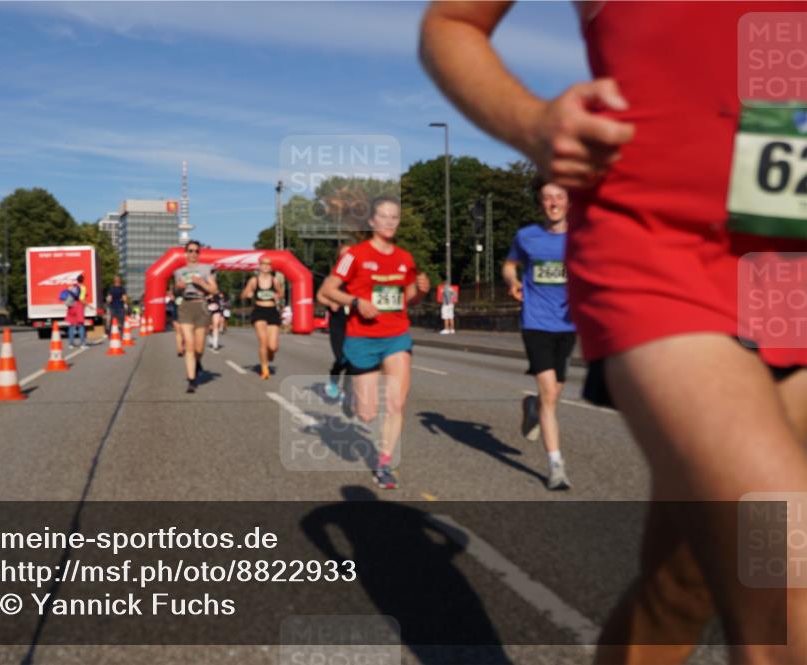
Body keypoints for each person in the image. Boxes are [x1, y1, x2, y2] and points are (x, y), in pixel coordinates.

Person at [421, 2, 807, 662]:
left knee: (681, 585)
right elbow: (452, 21)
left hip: (787, 261)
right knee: (781, 571)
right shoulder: (530, 235)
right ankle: (551, 449)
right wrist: (532, 123)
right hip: (661, 249)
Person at [319, 196, 431, 489]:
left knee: (396, 403)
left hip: (396, 335)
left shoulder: (405, 258)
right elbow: (328, 289)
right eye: (384, 216)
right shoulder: (354, 255)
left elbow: (408, 298)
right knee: (367, 413)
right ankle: (352, 397)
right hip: (362, 338)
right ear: (371, 221)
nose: (390, 222)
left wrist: (421, 291)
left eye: (395, 217)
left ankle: (384, 463)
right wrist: (356, 302)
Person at [503, 180, 576, 491]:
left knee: (553, 394)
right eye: (547, 198)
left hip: (568, 325)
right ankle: (556, 466)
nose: (554, 203)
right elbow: (509, 265)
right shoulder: (527, 236)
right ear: (540, 203)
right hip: (535, 322)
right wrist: (512, 281)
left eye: (559, 197)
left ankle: (532, 407)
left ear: (569, 202)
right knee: (549, 391)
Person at [173, 240, 218, 393]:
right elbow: (176, 292)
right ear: (186, 253)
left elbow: (214, 290)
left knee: (199, 347)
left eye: (196, 251)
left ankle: (197, 362)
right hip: (186, 306)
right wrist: (178, 288)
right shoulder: (179, 272)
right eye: (190, 251)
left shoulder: (206, 269)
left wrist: (202, 284)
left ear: (199, 253)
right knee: (189, 345)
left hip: (201, 306)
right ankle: (191, 380)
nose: (193, 254)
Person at [317, 245, 352, 402]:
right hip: (338, 322)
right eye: (344, 256)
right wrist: (330, 303)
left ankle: (348, 391)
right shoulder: (332, 278)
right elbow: (320, 296)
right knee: (341, 357)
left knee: (355, 359)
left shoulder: (361, 276)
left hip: (356, 322)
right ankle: (333, 380)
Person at [241, 256, 284, 379]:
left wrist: (278, 296)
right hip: (259, 311)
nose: (266, 266)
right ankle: (264, 369)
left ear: (271, 267)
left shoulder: (275, 281)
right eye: (264, 264)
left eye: (268, 264)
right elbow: (243, 295)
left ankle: (270, 353)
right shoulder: (254, 281)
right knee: (263, 341)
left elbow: (281, 293)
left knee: (273, 347)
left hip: (272, 311)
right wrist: (248, 294)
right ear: (259, 266)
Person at [65, 277, 86, 348]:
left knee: (72, 325)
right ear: (83, 280)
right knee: (81, 325)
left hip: (71, 306)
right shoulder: (83, 288)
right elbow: (81, 299)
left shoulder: (73, 287)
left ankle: (71, 344)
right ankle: (82, 344)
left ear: (77, 280)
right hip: (79, 306)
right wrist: (86, 304)